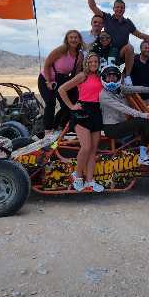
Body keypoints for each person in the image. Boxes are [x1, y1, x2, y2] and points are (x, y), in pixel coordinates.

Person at [87, 0, 149, 84]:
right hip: (108, 53)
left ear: (124, 9)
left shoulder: (128, 23)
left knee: (130, 47)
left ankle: (128, 77)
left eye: (122, 7)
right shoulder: (107, 18)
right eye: (117, 7)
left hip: (121, 53)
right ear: (113, 9)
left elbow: (139, 35)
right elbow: (93, 6)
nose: (119, 9)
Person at [58, 53, 104, 192]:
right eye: (91, 62)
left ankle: (90, 181)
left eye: (96, 61)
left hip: (96, 113)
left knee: (93, 150)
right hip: (82, 113)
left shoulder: (101, 77)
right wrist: (71, 106)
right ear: (86, 63)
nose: (93, 64)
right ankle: (77, 176)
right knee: (86, 147)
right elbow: (61, 89)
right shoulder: (82, 76)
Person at [99, 65, 149, 166]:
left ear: (118, 78)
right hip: (111, 128)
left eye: (114, 77)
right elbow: (123, 108)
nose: (111, 80)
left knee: (145, 127)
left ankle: (143, 156)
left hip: (120, 124)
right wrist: (141, 114)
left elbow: (134, 88)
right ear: (104, 78)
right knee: (143, 121)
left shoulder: (119, 88)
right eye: (108, 77)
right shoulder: (104, 95)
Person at [38, 30, 84, 136]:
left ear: (79, 40)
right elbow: (47, 64)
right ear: (67, 39)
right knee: (50, 103)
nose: (73, 39)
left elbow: (76, 73)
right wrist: (48, 81)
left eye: (76, 37)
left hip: (62, 80)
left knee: (68, 103)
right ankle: (48, 130)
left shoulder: (80, 55)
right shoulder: (61, 50)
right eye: (71, 37)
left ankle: (58, 125)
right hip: (46, 79)